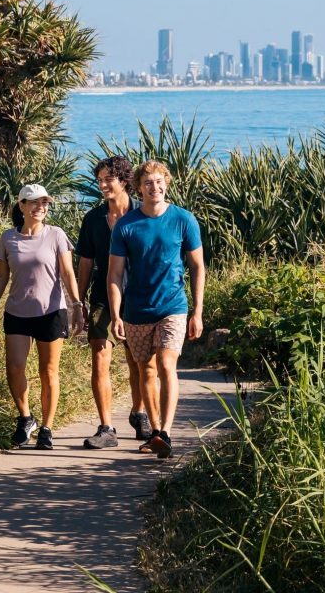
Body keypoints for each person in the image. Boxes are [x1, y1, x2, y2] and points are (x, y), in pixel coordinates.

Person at [108, 160, 205, 459]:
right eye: (148, 183)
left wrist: (197, 311)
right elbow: (114, 274)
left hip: (172, 306)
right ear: (138, 187)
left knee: (166, 364)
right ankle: (155, 431)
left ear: (167, 184)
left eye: (160, 181)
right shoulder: (126, 225)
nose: (155, 187)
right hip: (136, 309)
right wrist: (115, 315)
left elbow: (198, 266)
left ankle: (165, 432)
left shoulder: (183, 219)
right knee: (145, 370)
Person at [0, 184, 84, 450]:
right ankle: (26, 418)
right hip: (17, 310)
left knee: (48, 371)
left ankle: (47, 429)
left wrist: (76, 305)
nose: (41, 207)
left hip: (51, 312)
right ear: (22, 206)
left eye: (45, 203)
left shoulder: (56, 235)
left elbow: (67, 273)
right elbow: (1, 276)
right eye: (34, 203)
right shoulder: (8, 238)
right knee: (14, 367)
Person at [76, 155, 152, 449]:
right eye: (100, 180)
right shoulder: (93, 219)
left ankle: (140, 413)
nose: (103, 185)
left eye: (109, 179)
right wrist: (78, 301)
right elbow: (85, 262)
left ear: (124, 181)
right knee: (99, 358)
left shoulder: (142, 215)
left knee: (138, 361)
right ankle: (106, 427)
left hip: (137, 298)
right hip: (101, 299)